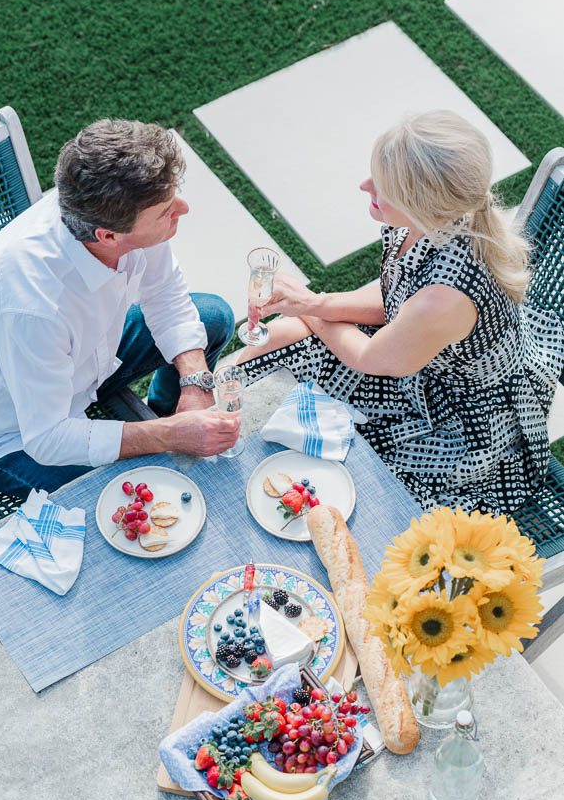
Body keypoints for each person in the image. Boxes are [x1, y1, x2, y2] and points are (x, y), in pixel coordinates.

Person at [238, 110, 564, 514]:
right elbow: (395, 295)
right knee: (287, 338)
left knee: (364, 489)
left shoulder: (445, 296)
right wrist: (316, 305)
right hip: (419, 357)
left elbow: (374, 359)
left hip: (461, 418)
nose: (364, 185)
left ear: (419, 202)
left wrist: (310, 309)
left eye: (381, 186)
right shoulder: (431, 222)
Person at [0, 119, 238, 500]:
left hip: (85, 365)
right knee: (142, 497)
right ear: (108, 236)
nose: (183, 209)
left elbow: (167, 295)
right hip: (6, 436)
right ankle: (168, 430)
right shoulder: (31, 305)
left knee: (213, 318)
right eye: (166, 210)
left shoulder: (118, 216)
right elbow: (48, 439)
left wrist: (194, 383)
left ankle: (167, 412)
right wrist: (164, 438)